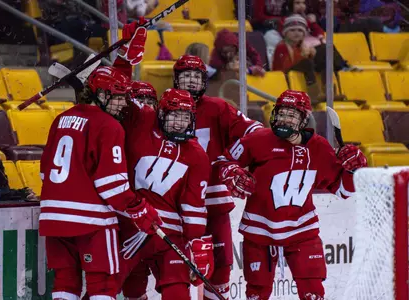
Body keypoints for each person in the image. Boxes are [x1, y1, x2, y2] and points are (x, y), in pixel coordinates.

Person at [217, 90, 368, 300]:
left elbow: (343, 190)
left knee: (313, 293)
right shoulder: (257, 140)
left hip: (302, 231)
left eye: (291, 115)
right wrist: (230, 172)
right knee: (256, 294)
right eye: (281, 113)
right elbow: (222, 161)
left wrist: (352, 170)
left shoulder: (319, 147)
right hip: (259, 232)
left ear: (303, 119)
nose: (284, 119)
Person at [39, 44, 162, 300]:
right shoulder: (109, 126)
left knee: (65, 281)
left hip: (53, 218)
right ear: (101, 95)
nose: (121, 104)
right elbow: (112, 187)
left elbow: (44, 172)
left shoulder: (61, 119)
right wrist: (139, 209)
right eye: (117, 97)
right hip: (91, 221)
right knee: (103, 284)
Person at [173, 54, 263, 300]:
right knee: (175, 268)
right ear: (175, 80)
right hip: (176, 204)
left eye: (196, 76)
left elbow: (254, 132)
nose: (191, 81)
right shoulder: (166, 109)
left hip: (213, 201)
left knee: (221, 265)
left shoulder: (217, 107)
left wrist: (234, 160)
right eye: (186, 76)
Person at [117, 88, 214, 300]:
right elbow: (122, 100)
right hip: (129, 225)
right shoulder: (143, 124)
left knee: (177, 290)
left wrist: (196, 244)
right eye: (174, 115)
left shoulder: (197, 155)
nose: (180, 123)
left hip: (168, 233)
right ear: (161, 114)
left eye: (185, 117)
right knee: (108, 287)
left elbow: (193, 207)